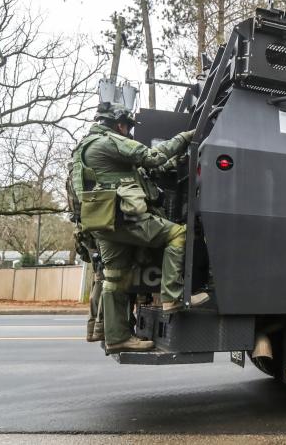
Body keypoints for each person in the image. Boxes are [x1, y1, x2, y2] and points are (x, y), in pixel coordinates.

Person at [68, 105, 209, 353]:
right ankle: (172, 298)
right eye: (127, 126)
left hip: (103, 222)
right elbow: (152, 157)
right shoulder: (109, 142)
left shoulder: (85, 147)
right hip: (122, 218)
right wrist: (185, 137)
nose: (128, 131)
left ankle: (115, 337)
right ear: (118, 124)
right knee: (178, 234)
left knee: (115, 278)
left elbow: (138, 172)